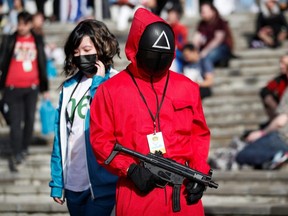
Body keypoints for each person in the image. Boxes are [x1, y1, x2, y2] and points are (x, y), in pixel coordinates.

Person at [90, 8, 211, 215]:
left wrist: (199, 173)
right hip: (137, 193)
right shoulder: (110, 90)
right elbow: (101, 140)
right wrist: (130, 168)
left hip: (183, 196)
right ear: (137, 47)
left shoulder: (188, 87)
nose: (157, 59)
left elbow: (198, 135)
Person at [49, 19, 120, 216]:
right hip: (73, 183)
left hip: (102, 184)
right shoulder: (70, 86)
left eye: (87, 49)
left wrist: (97, 83)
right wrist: (57, 181)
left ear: (102, 46)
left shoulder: (115, 82)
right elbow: (60, 135)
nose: (81, 56)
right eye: (76, 52)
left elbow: (103, 120)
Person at [0, 11, 48, 171]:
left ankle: (24, 146)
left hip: (32, 87)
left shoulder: (37, 39)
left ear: (29, 24)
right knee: (15, 122)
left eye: (24, 23)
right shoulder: (10, 39)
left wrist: (44, 87)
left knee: (29, 121)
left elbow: (42, 63)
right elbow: (2, 60)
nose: (21, 27)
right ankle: (16, 151)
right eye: (19, 23)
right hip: (12, 87)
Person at [192, 2, 233, 67]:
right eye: (201, 12)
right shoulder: (202, 24)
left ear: (212, 11)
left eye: (204, 12)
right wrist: (195, 51)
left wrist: (205, 52)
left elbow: (218, 40)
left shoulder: (219, 22)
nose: (202, 14)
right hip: (204, 48)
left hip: (221, 48)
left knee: (206, 58)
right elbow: (196, 38)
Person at [259, 54, 288, 124]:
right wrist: (278, 109)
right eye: (280, 63)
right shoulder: (280, 79)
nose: (281, 66)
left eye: (284, 63)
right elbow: (265, 90)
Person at [166, 4, 188, 73]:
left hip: (178, 53)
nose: (170, 16)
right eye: (169, 14)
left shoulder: (181, 29)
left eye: (172, 14)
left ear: (177, 15)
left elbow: (182, 45)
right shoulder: (166, 27)